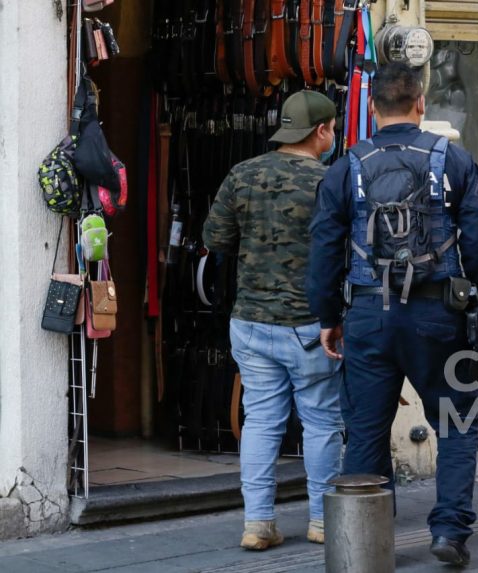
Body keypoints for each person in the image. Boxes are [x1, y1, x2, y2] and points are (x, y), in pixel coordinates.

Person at [308, 62, 478, 566]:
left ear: (372, 109)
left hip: (368, 315)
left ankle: (363, 543)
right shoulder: (452, 160)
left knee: (367, 431)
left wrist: (328, 316)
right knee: (456, 423)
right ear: (421, 103)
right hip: (438, 313)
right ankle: (449, 533)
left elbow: (325, 250)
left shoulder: (346, 166)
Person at [203, 90, 344, 549]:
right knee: (322, 422)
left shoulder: (243, 174)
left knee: (261, 420)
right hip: (311, 326)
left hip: (250, 322)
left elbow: (215, 238)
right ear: (321, 130)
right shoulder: (331, 181)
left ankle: (257, 523)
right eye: (333, 127)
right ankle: (324, 521)